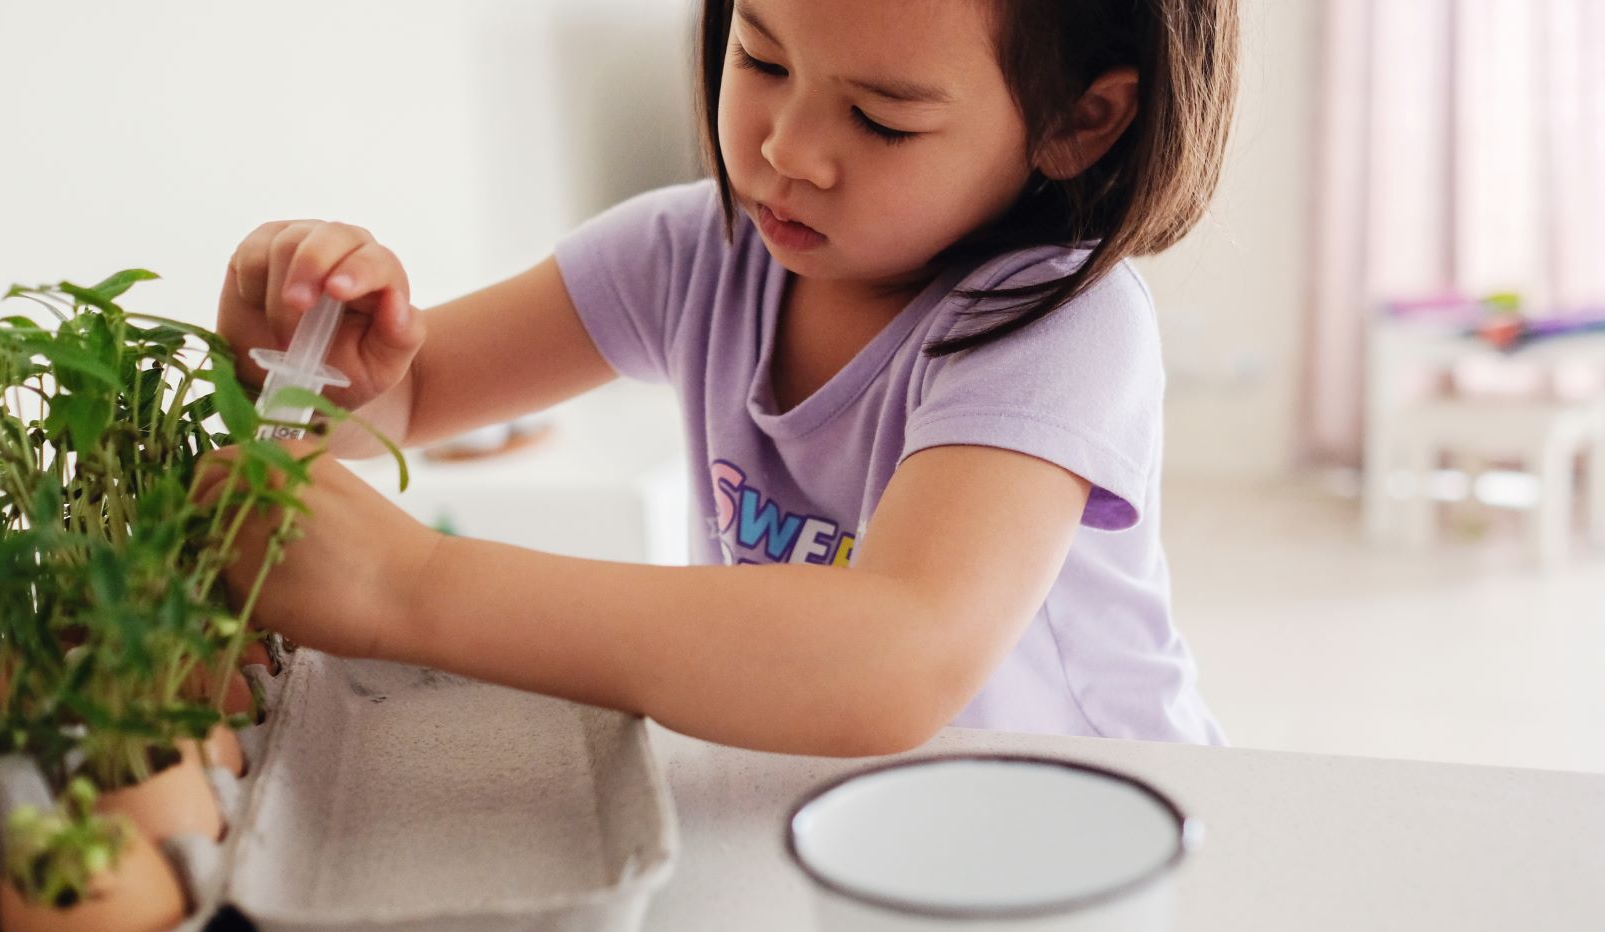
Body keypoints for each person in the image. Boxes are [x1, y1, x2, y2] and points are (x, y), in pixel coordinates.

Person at [207, 0, 1240, 756]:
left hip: (1096, 821)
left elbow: (895, 656)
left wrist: (410, 585)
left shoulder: (1061, 325)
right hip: (845, 809)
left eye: (881, 118)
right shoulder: (697, 250)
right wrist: (315, 365)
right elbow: (415, 399)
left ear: (1078, 122)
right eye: (760, 56)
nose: (787, 152)